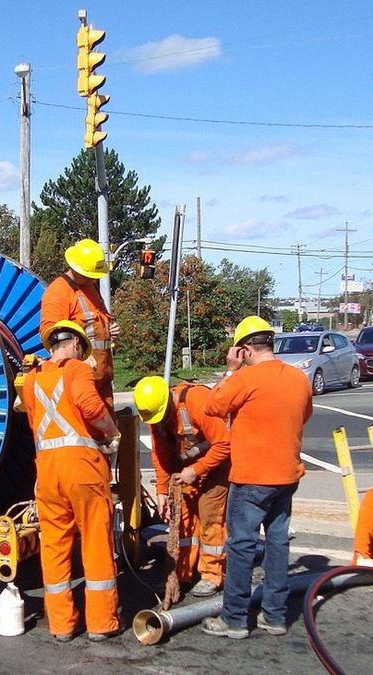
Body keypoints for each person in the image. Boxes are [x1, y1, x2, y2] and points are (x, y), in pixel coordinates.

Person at [201, 315, 313, 639]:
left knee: (241, 546)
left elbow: (212, 406)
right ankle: (274, 617)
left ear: (245, 349)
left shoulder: (244, 379)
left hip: (252, 478)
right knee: (277, 544)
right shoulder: (298, 379)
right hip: (286, 476)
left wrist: (231, 370)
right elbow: (303, 414)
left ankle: (234, 619)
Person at [19, 320, 122, 643]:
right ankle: (101, 623)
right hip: (82, 470)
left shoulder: (32, 379)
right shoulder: (77, 370)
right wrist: (111, 431)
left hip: (47, 473)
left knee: (54, 547)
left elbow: (35, 424)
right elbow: (91, 407)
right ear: (76, 345)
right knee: (94, 541)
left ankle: (62, 625)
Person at [134, 375, 231, 598]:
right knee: (184, 522)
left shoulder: (196, 401)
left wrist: (197, 470)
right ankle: (183, 571)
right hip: (186, 470)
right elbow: (161, 456)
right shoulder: (156, 416)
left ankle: (211, 574)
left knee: (210, 517)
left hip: (216, 466)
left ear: (169, 400)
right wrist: (161, 491)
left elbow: (225, 443)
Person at [40, 238, 120, 412]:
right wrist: (77, 361)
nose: (93, 279)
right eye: (89, 275)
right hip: (81, 381)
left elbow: (100, 320)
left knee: (107, 433)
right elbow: (50, 334)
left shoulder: (90, 288)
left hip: (103, 380)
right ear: (77, 268)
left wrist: (110, 328)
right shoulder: (58, 292)